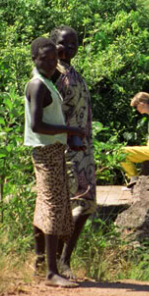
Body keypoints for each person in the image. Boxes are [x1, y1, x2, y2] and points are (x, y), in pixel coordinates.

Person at [25, 37, 86, 288]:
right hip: (46, 151)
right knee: (52, 206)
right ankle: (51, 272)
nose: (51, 63)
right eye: (45, 59)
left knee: (50, 205)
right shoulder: (37, 85)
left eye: (53, 58)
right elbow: (37, 125)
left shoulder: (47, 82)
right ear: (34, 59)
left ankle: (40, 264)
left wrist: (68, 136)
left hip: (53, 149)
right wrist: (68, 129)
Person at [48, 26, 96, 280]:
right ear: (55, 44)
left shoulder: (72, 72)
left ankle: (61, 260)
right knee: (72, 206)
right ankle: (58, 263)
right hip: (66, 148)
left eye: (75, 43)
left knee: (85, 205)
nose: (71, 47)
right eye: (65, 43)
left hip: (83, 149)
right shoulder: (53, 71)